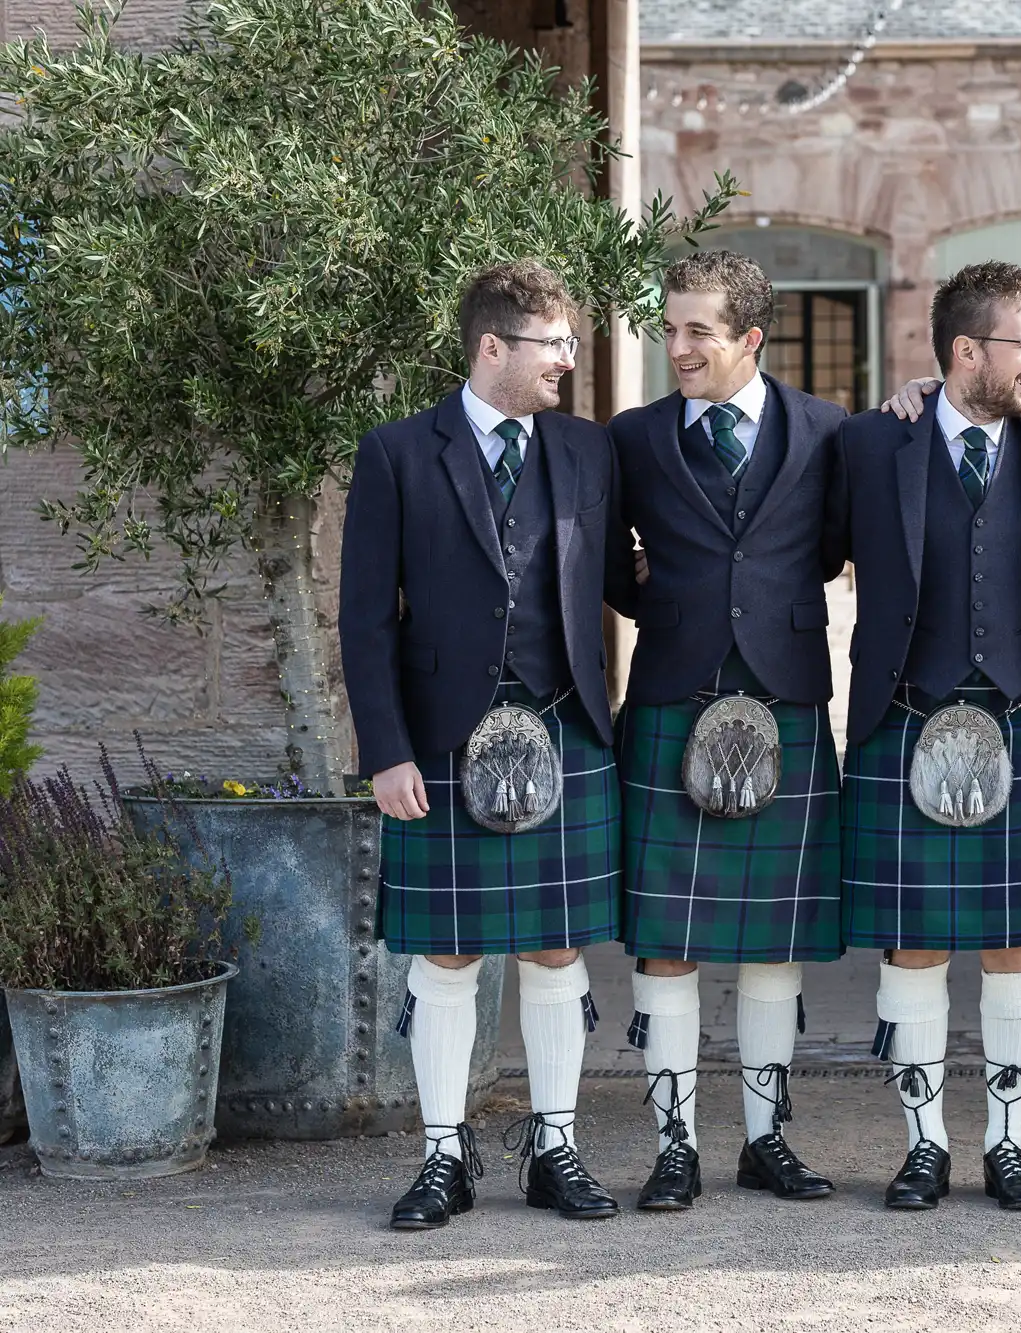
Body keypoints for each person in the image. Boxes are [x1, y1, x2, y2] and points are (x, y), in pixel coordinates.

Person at [341, 261, 625, 1228]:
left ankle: (556, 1150)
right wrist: (387, 748)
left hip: (564, 722)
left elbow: (632, 566)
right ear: (492, 347)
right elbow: (365, 617)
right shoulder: (397, 454)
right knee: (445, 952)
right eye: (555, 345)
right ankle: (443, 1159)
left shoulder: (588, 452)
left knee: (556, 948)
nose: (569, 363)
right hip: (444, 738)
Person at [831, 261, 1021, 1211]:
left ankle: (1006, 1144)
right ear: (964, 351)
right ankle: (921, 1147)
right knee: (911, 945)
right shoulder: (875, 444)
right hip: (907, 717)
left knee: (1017, 946)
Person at [605, 250, 849, 1211]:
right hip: (672, 693)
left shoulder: (827, 431)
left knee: (771, 943)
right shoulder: (632, 439)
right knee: (666, 942)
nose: (678, 347)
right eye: (668, 329)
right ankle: (674, 1146)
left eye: (697, 330)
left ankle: (763, 1138)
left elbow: (833, 544)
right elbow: (597, 553)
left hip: (783, 693)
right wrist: (660, 605)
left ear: (750, 336)